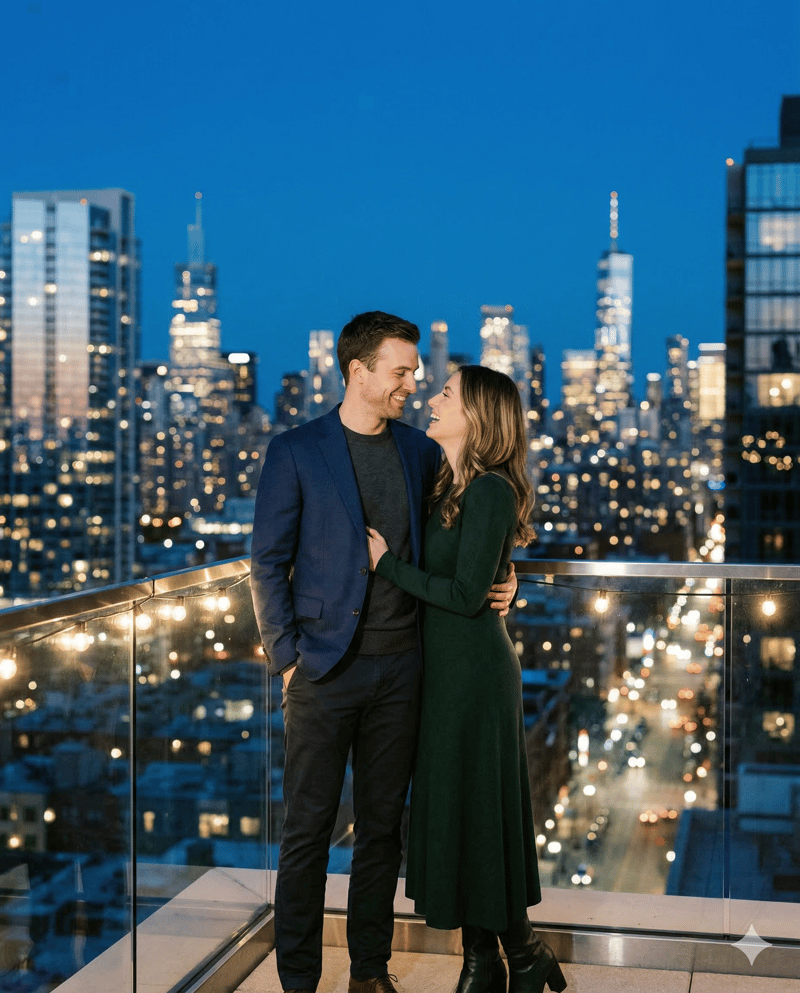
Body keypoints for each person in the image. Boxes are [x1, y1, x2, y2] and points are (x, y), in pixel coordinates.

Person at [250, 313, 517, 993]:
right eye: (399, 371)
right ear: (358, 372)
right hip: (321, 670)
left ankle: (369, 971)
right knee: (307, 834)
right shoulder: (296, 449)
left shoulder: (419, 451)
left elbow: (468, 526)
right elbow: (266, 559)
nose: (411, 382)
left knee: (381, 834)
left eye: (415, 373)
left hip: (405, 671)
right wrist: (286, 656)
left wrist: (508, 575)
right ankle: (299, 980)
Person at [367, 365, 567, 993]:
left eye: (446, 394)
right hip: (444, 674)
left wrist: (385, 565)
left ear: (477, 417)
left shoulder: (491, 492)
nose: (432, 398)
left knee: (480, 809)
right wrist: (505, 579)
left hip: (477, 678)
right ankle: (512, 957)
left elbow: (462, 592)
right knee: (465, 811)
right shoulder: (446, 485)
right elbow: (479, 576)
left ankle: (493, 963)